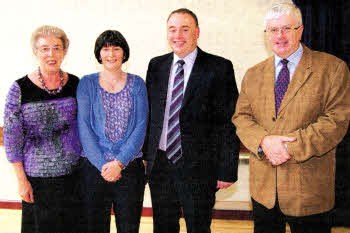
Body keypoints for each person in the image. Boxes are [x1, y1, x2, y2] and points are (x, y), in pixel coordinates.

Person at [232, 3, 350, 233]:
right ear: (266, 35)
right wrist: (264, 142)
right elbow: (242, 117)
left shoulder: (332, 68)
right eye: (273, 30)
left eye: (286, 28)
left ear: (300, 29)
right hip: (264, 192)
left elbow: (336, 121)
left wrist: (287, 147)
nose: (280, 35)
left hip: (309, 192)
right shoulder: (253, 74)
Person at [143, 8, 240, 233]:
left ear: (197, 32)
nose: (178, 35)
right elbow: (152, 116)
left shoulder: (219, 67)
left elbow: (228, 122)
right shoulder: (156, 65)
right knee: (163, 227)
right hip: (161, 165)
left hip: (199, 167)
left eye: (185, 29)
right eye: (172, 29)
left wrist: (226, 169)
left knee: (198, 227)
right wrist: (146, 157)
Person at [3, 25, 82, 233]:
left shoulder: (75, 84)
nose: (51, 54)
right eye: (44, 48)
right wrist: (21, 181)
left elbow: (83, 127)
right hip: (38, 181)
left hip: (73, 177)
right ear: (35, 52)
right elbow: (12, 140)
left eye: (57, 48)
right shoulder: (19, 89)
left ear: (65, 51)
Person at [77, 30, 148, 233]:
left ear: (124, 53)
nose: (111, 54)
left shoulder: (137, 84)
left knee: (128, 227)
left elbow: (141, 126)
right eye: (105, 49)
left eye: (116, 48)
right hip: (93, 168)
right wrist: (104, 165)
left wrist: (119, 163)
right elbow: (84, 127)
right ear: (99, 54)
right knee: (94, 227)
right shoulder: (86, 83)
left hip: (129, 168)